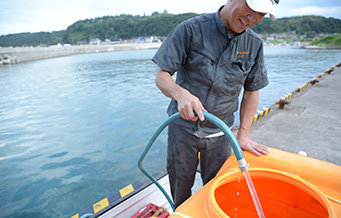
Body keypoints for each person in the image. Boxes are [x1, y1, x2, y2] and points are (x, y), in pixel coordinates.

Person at [152, 0, 278, 208]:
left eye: (262, 14)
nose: (254, 18)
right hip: (182, 130)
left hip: (221, 134)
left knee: (218, 192)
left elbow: (251, 91)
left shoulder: (255, 44)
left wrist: (244, 135)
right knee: (180, 189)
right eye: (253, 9)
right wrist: (180, 94)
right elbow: (162, 76)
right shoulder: (190, 29)